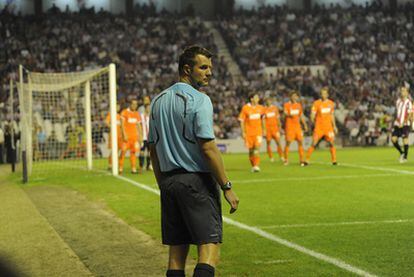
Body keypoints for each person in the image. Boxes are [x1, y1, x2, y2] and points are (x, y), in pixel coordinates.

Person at [148, 46, 239, 277]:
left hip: (169, 183)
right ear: (187, 69)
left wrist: (163, 184)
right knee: (209, 250)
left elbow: (153, 149)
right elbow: (208, 148)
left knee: (176, 255)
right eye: (203, 67)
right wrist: (226, 186)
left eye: (210, 68)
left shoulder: (157, 101)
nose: (209, 73)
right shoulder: (200, 100)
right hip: (196, 182)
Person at [305, 87, 338, 165]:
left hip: (328, 127)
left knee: (332, 143)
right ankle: (306, 160)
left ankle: (334, 160)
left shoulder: (331, 103)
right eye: (322, 94)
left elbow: (332, 115)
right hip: (319, 127)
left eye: (325, 94)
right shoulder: (316, 103)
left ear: (327, 95)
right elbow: (312, 114)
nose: (323, 95)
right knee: (314, 143)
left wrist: (334, 126)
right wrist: (312, 119)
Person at [238, 93, 265, 172]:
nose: (258, 99)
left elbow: (263, 119)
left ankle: (256, 165)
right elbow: (242, 121)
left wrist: (264, 129)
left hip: (258, 132)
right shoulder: (245, 108)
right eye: (256, 97)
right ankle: (253, 165)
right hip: (249, 133)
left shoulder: (261, 108)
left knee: (256, 149)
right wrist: (243, 132)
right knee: (251, 150)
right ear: (251, 99)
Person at [283, 90, 308, 166]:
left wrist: (305, 125)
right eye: (293, 96)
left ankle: (301, 160)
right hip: (289, 127)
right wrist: (289, 114)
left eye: (296, 96)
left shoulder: (299, 105)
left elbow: (301, 115)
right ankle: (286, 160)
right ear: (290, 97)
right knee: (288, 143)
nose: (294, 97)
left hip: (298, 127)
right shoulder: (287, 105)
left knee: (300, 142)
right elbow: (285, 113)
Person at [119, 99, 143, 174]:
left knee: (133, 153)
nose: (134, 105)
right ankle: (120, 168)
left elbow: (139, 126)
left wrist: (141, 136)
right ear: (130, 104)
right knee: (123, 152)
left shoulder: (137, 114)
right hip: (126, 137)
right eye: (133, 104)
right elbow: (122, 125)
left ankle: (133, 168)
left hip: (134, 137)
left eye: (136, 104)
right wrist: (124, 135)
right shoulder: (125, 112)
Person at [391, 86, 412, 163]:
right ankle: (402, 152)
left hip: (405, 124)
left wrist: (403, 123)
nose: (402, 92)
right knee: (393, 139)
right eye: (401, 90)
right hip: (397, 124)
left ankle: (405, 158)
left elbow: (409, 114)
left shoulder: (409, 102)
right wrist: (396, 120)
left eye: (403, 91)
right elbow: (398, 113)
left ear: (407, 92)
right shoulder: (398, 101)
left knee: (405, 140)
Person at [263, 97, 284, 163]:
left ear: (271, 101)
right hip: (268, 129)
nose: (268, 102)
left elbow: (278, 118)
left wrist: (280, 127)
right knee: (268, 143)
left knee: (278, 142)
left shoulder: (275, 108)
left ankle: (281, 156)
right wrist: (264, 129)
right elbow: (263, 120)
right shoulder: (264, 109)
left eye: (269, 100)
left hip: (275, 129)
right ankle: (271, 157)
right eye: (267, 101)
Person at [105, 103, 122, 171]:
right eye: (117, 106)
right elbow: (106, 122)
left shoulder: (119, 116)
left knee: (118, 150)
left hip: (119, 136)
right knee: (113, 150)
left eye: (119, 106)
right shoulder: (111, 114)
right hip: (112, 135)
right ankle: (110, 164)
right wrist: (111, 127)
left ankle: (114, 163)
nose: (118, 108)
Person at [139, 101, 152, 171]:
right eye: (148, 108)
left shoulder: (151, 116)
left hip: (149, 137)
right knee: (142, 152)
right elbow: (139, 125)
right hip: (143, 137)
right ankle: (141, 166)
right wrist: (140, 135)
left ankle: (148, 166)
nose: (149, 109)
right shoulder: (141, 116)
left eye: (150, 108)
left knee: (149, 152)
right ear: (145, 108)